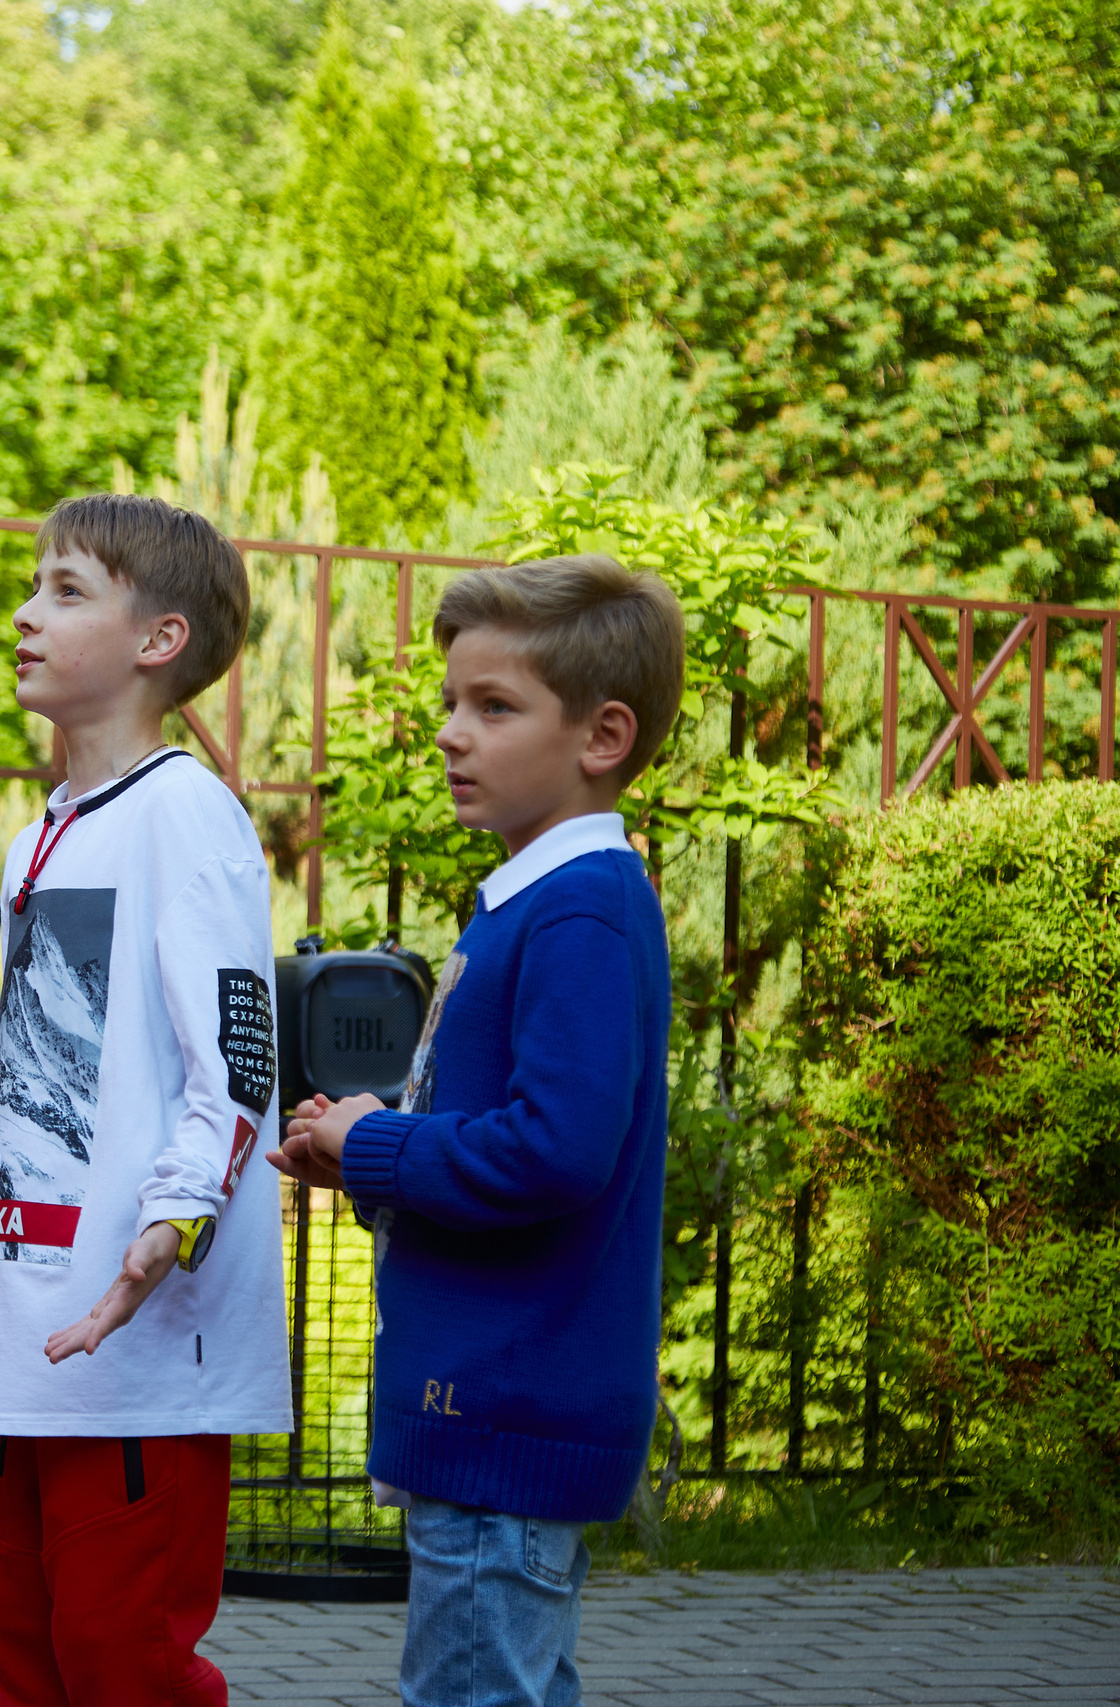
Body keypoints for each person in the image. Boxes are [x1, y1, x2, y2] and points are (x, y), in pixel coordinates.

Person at [0, 493, 290, 1707]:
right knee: (27, 1668)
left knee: (123, 1669)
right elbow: (43, 1112)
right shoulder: (45, 837)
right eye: (33, 586)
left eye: (67, 590)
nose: (23, 613)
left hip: (141, 1353)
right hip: (42, 1353)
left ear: (158, 640)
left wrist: (164, 1230)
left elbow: (235, 1067)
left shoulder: (186, 816)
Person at [271, 556, 683, 1707]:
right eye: (452, 702)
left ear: (602, 735)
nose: (453, 733)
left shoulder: (581, 912)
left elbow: (554, 1152)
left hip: (508, 1406)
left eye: (494, 708)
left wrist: (379, 1145)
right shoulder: (526, 900)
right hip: (483, 1402)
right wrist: (359, 1149)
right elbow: (491, 1137)